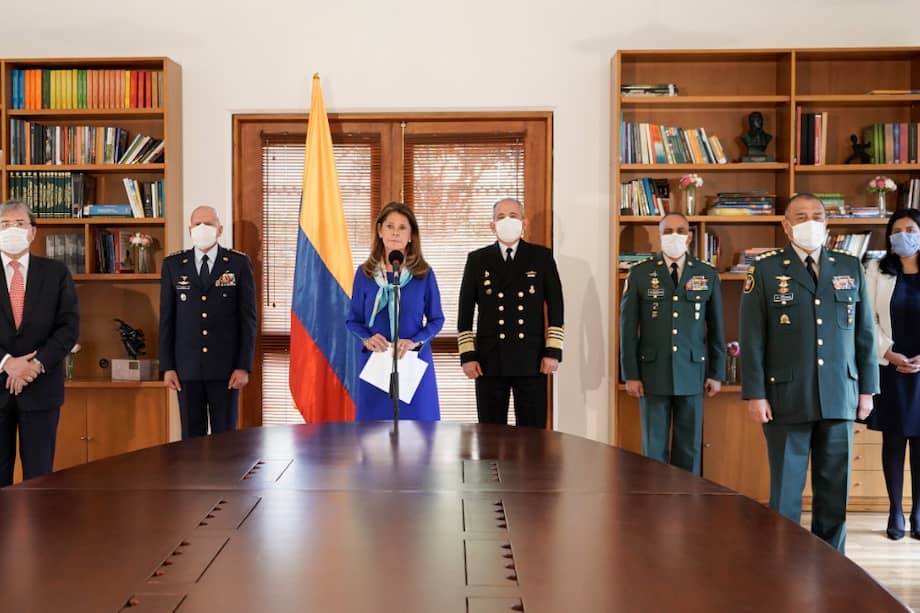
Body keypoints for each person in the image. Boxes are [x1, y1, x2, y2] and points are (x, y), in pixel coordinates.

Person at [740, 193, 878, 553]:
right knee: (785, 491)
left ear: (827, 223)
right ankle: (782, 562)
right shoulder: (765, 269)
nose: (810, 222)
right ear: (786, 226)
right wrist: (755, 393)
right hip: (786, 396)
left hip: (839, 394)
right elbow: (752, 338)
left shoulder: (850, 267)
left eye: (817, 215)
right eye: (800, 217)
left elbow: (864, 335)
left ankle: (832, 563)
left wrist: (867, 390)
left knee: (834, 490)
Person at [619, 212, 725, 474]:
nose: (674, 236)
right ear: (660, 235)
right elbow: (628, 328)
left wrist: (717, 372)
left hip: (692, 371)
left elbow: (716, 328)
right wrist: (630, 374)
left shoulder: (706, 273)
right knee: (653, 449)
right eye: (668, 231)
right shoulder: (640, 273)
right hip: (652, 372)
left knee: (689, 448)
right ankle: (654, 505)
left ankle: (687, 505)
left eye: (680, 230)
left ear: (689, 236)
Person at [458, 198, 564, 428]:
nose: (507, 220)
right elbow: (465, 312)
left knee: (533, 435)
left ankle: (529, 467)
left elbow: (556, 306)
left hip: (531, 360)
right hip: (489, 360)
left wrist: (553, 351)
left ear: (524, 222)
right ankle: (493, 467)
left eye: (513, 215)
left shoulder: (541, 257)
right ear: (492, 225)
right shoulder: (477, 260)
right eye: (501, 217)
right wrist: (468, 356)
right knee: (491, 435)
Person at [159, 205, 256, 439]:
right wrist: (168, 366)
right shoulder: (173, 265)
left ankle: (225, 478)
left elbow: (248, 319)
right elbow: (167, 320)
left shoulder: (237, 263)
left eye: (209, 224)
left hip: (226, 370)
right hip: (186, 370)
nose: (202, 228)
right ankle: (194, 478)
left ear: (219, 229)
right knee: (191, 440)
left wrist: (243, 366)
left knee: (226, 440)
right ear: (190, 229)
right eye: (197, 224)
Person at [0, 200, 79, 486]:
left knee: (39, 478)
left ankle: (39, 532)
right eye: (5, 224)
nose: (12, 230)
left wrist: (34, 365)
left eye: (20, 224)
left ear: (33, 232)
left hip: (41, 388)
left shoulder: (56, 273)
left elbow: (69, 328)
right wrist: (7, 363)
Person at [345, 202, 444, 421]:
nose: (395, 233)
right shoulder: (365, 273)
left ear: (411, 236)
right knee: (374, 439)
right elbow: (353, 320)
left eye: (402, 228)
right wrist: (367, 339)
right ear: (380, 231)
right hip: (375, 365)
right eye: (390, 226)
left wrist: (416, 341)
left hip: (413, 363)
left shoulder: (423, 274)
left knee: (418, 436)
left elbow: (437, 319)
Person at [865, 208, 920, 540]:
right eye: (896, 230)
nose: (903, 235)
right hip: (891, 366)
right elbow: (866, 317)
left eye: (911, 228)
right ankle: (895, 511)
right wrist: (887, 352)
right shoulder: (876, 270)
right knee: (894, 441)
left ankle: (919, 512)